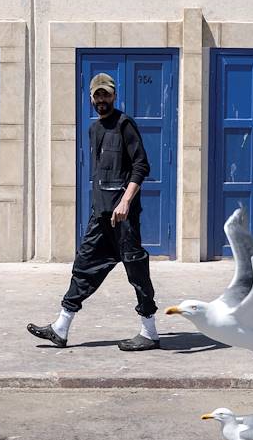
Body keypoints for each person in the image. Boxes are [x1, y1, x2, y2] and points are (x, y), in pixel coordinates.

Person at [27, 73, 161, 351]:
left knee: (137, 271)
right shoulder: (94, 129)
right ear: (91, 98)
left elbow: (141, 166)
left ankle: (149, 332)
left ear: (114, 95)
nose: (102, 100)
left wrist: (125, 202)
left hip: (123, 218)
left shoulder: (125, 124)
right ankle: (60, 328)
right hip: (101, 215)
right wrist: (100, 205)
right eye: (97, 95)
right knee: (83, 266)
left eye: (106, 94)